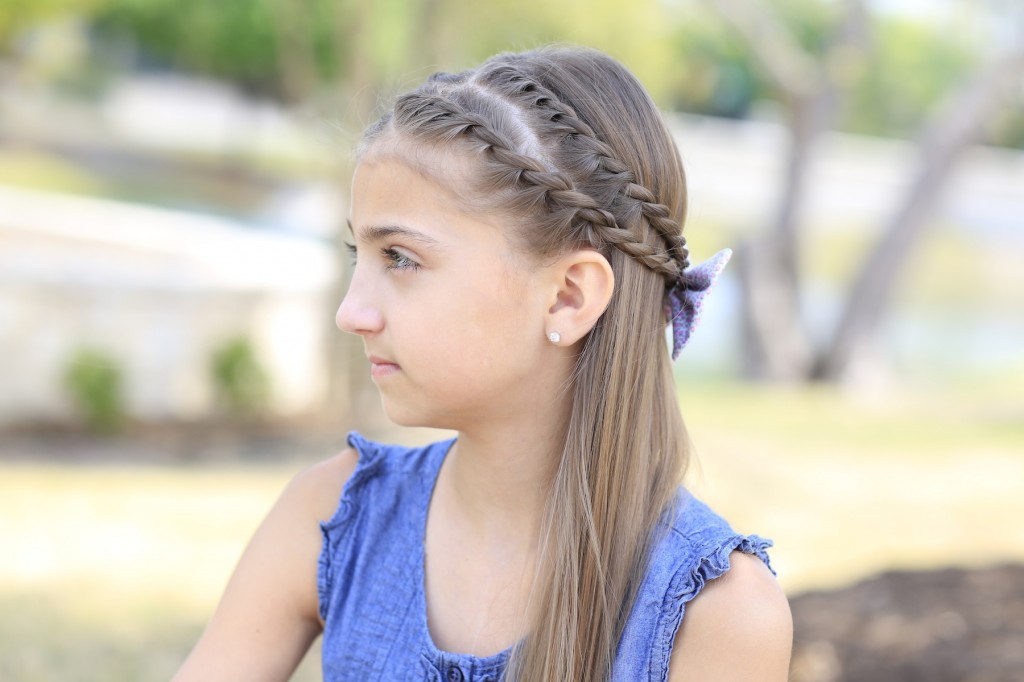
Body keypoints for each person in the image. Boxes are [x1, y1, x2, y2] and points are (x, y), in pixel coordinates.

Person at [174, 45, 792, 681]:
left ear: (568, 297)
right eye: (359, 254)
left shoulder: (715, 613)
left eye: (401, 260)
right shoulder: (334, 516)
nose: (351, 312)